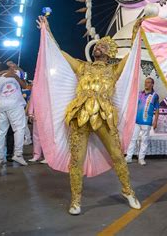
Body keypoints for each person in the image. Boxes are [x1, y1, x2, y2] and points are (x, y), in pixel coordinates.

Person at [35, 16, 141, 215]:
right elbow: (58, 54)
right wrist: (47, 32)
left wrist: (137, 29)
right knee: (76, 160)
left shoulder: (114, 69)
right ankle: (76, 200)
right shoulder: (82, 67)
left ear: (109, 52)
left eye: (102, 46)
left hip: (104, 115)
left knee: (118, 155)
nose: (97, 48)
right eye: (96, 46)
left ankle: (128, 191)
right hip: (79, 115)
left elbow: (134, 53)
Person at [0, 62, 28, 166]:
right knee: (19, 129)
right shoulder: (15, 73)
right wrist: (14, 71)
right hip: (15, 105)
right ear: (9, 67)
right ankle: (18, 154)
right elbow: (24, 84)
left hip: (0, 106)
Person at [125, 77, 159, 166]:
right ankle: (128, 157)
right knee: (133, 139)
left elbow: (157, 110)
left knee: (144, 140)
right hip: (137, 120)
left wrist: (155, 121)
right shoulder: (140, 94)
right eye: (145, 82)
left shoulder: (155, 95)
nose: (146, 84)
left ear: (152, 84)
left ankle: (141, 158)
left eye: (148, 82)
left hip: (147, 121)